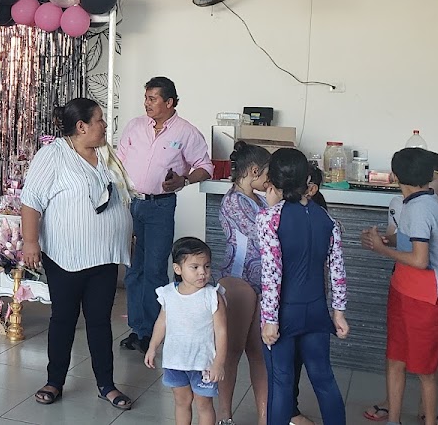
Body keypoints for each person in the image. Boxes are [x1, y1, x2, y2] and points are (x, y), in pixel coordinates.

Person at [21, 97, 137, 410]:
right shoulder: (54, 155)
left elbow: (121, 196)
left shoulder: (106, 154)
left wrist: (127, 232)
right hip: (66, 256)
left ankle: (106, 385)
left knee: (100, 321)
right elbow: (31, 200)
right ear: (82, 126)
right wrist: (30, 242)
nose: (105, 125)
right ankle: (54, 381)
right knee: (64, 318)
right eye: (100, 119)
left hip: (104, 256)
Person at [360, 148, 438, 425]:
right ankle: (394, 420)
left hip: (426, 299)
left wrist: (382, 250)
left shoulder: (419, 208)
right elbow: (412, 241)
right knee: (396, 359)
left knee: (425, 371)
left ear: (394, 176)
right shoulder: (419, 202)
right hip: (405, 291)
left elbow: (420, 260)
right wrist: (387, 241)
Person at [118, 76, 213, 353]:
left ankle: (153, 331)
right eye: (146, 98)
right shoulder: (135, 126)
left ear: (169, 102)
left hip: (160, 206)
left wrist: (184, 179)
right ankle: (137, 328)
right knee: (133, 269)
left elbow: (205, 167)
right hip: (131, 204)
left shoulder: (186, 132)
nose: (146, 103)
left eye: (152, 99)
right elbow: (118, 162)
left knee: (155, 270)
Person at [259, 148, 349, 425]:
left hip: (284, 312)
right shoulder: (327, 220)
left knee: (281, 382)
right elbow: (337, 270)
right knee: (324, 378)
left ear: (272, 180)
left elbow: (272, 274)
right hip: (317, 310)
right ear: (307, 179)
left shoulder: (269, 218)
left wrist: (270, 319)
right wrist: (338, 313)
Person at [217, 141, 272, 425]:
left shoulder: (259, 200)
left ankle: (265, 417)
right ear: (253, 171)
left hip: (262, 283)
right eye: (268, 174)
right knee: (232, 351)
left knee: (258, 352)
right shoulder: (234, 201)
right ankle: (225, 416)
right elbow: (265, 233)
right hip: (239, 281)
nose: (270, 181)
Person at [144, 237, 227, 425]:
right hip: (175, 361)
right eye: (195, 267)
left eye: (206, 266)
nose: (202, 272)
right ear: (178, 269)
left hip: (203, 363)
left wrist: (219, 363)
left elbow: (222, 332)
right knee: (181, 402)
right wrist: (152, 347)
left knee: (204, 405)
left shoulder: (212, 296)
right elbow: (162, 322)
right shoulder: (168, 294)